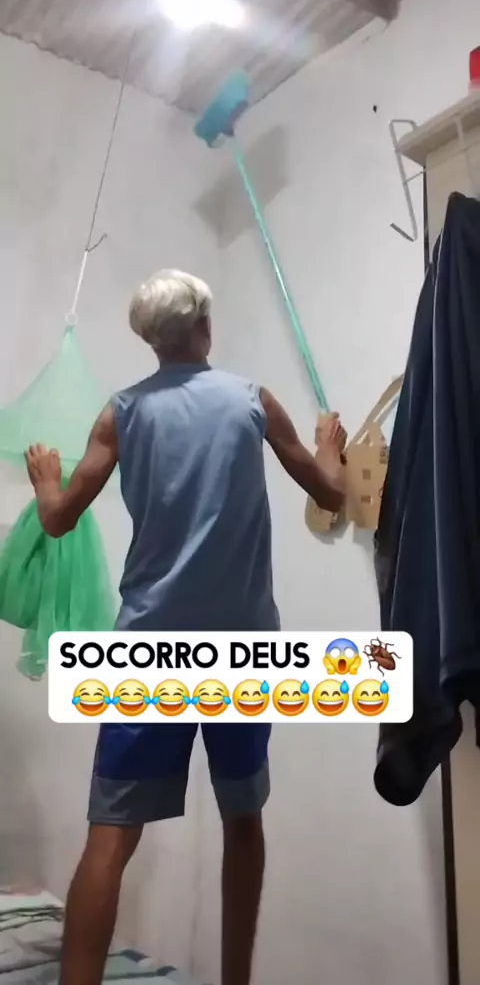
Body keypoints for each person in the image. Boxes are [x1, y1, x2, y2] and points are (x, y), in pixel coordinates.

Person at [25, 270, 347, 985]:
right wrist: (329, 441)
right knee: (243, 820)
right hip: (244, 648)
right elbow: (330, 490)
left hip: (148, 647)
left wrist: (46, 477)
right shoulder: (251, 400)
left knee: (111, 836)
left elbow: (58, 519)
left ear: (150, 340)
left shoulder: (121, 414)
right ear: (204, 325)